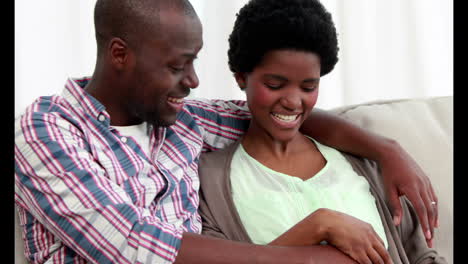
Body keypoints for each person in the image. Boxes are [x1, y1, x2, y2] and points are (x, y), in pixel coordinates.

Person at [14, 0, 437, 263]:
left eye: (195, 62)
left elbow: (277, 112)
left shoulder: (180, 120)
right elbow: (132, 247)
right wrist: (316, 248)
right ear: (120, 54)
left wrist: (386, 149)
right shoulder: (47, 130)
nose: (194, 80)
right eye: (178, 66)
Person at [198, 0, 446, 263]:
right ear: (241, 78)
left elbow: (421, 256)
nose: (293, 101)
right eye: (275, 84)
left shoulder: (363, 164)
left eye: (308, 87)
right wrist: (318, 226)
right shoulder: (211, 184)